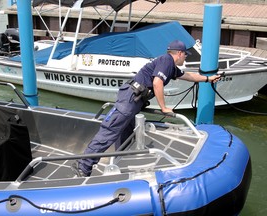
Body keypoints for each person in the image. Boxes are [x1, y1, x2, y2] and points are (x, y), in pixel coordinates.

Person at [73, 40, 221, 177]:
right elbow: (157, 82)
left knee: (125, 132)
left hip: (134, 100)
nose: (185, 59)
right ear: (180, 53)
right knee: (110, 130)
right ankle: (83, 166)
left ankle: (120, 161)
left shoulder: (171, 66)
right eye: (185, 56)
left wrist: (208, 79)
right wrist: (163, 108)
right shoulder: (166, 61)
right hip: (130, 99)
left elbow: (188, 75)